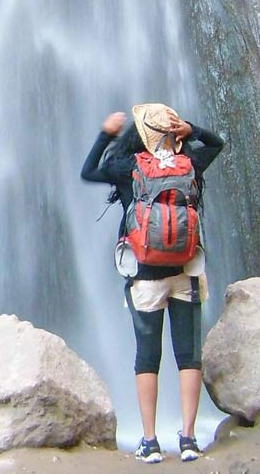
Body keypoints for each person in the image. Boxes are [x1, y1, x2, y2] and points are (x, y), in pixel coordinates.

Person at [81, 102, 225, 464]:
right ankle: (189, 439)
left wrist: (106, 135)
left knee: (147, 357)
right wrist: (193, 130)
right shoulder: (190, 163)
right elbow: (217, 143)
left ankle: (150, 441)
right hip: (186, 273)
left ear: (139, 135)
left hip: (144, 279)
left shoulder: (128, 168)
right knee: (188, 356)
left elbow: (88, 171)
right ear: (175, 134)